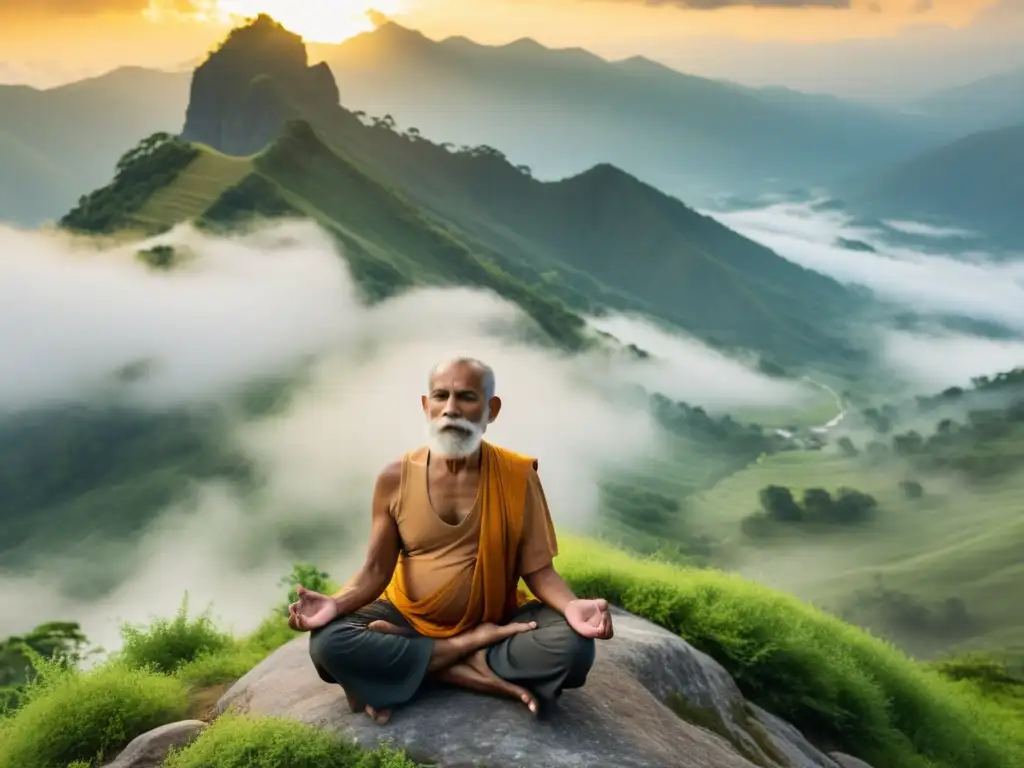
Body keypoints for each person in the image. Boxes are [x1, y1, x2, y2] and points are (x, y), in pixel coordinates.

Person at [287, 356, 614, 725]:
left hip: (494, 618)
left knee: (574, 649)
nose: (451, 409)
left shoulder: (517, 476)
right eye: (440, 397)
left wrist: (572, 608)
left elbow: (539, 571)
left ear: (492, 409)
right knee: (329, 643)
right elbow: (376, 570)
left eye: (467, 397)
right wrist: (334, 603)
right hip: (408, 617)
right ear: (426, 407)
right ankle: (463, 656)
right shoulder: (395, 477)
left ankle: (421, 665)